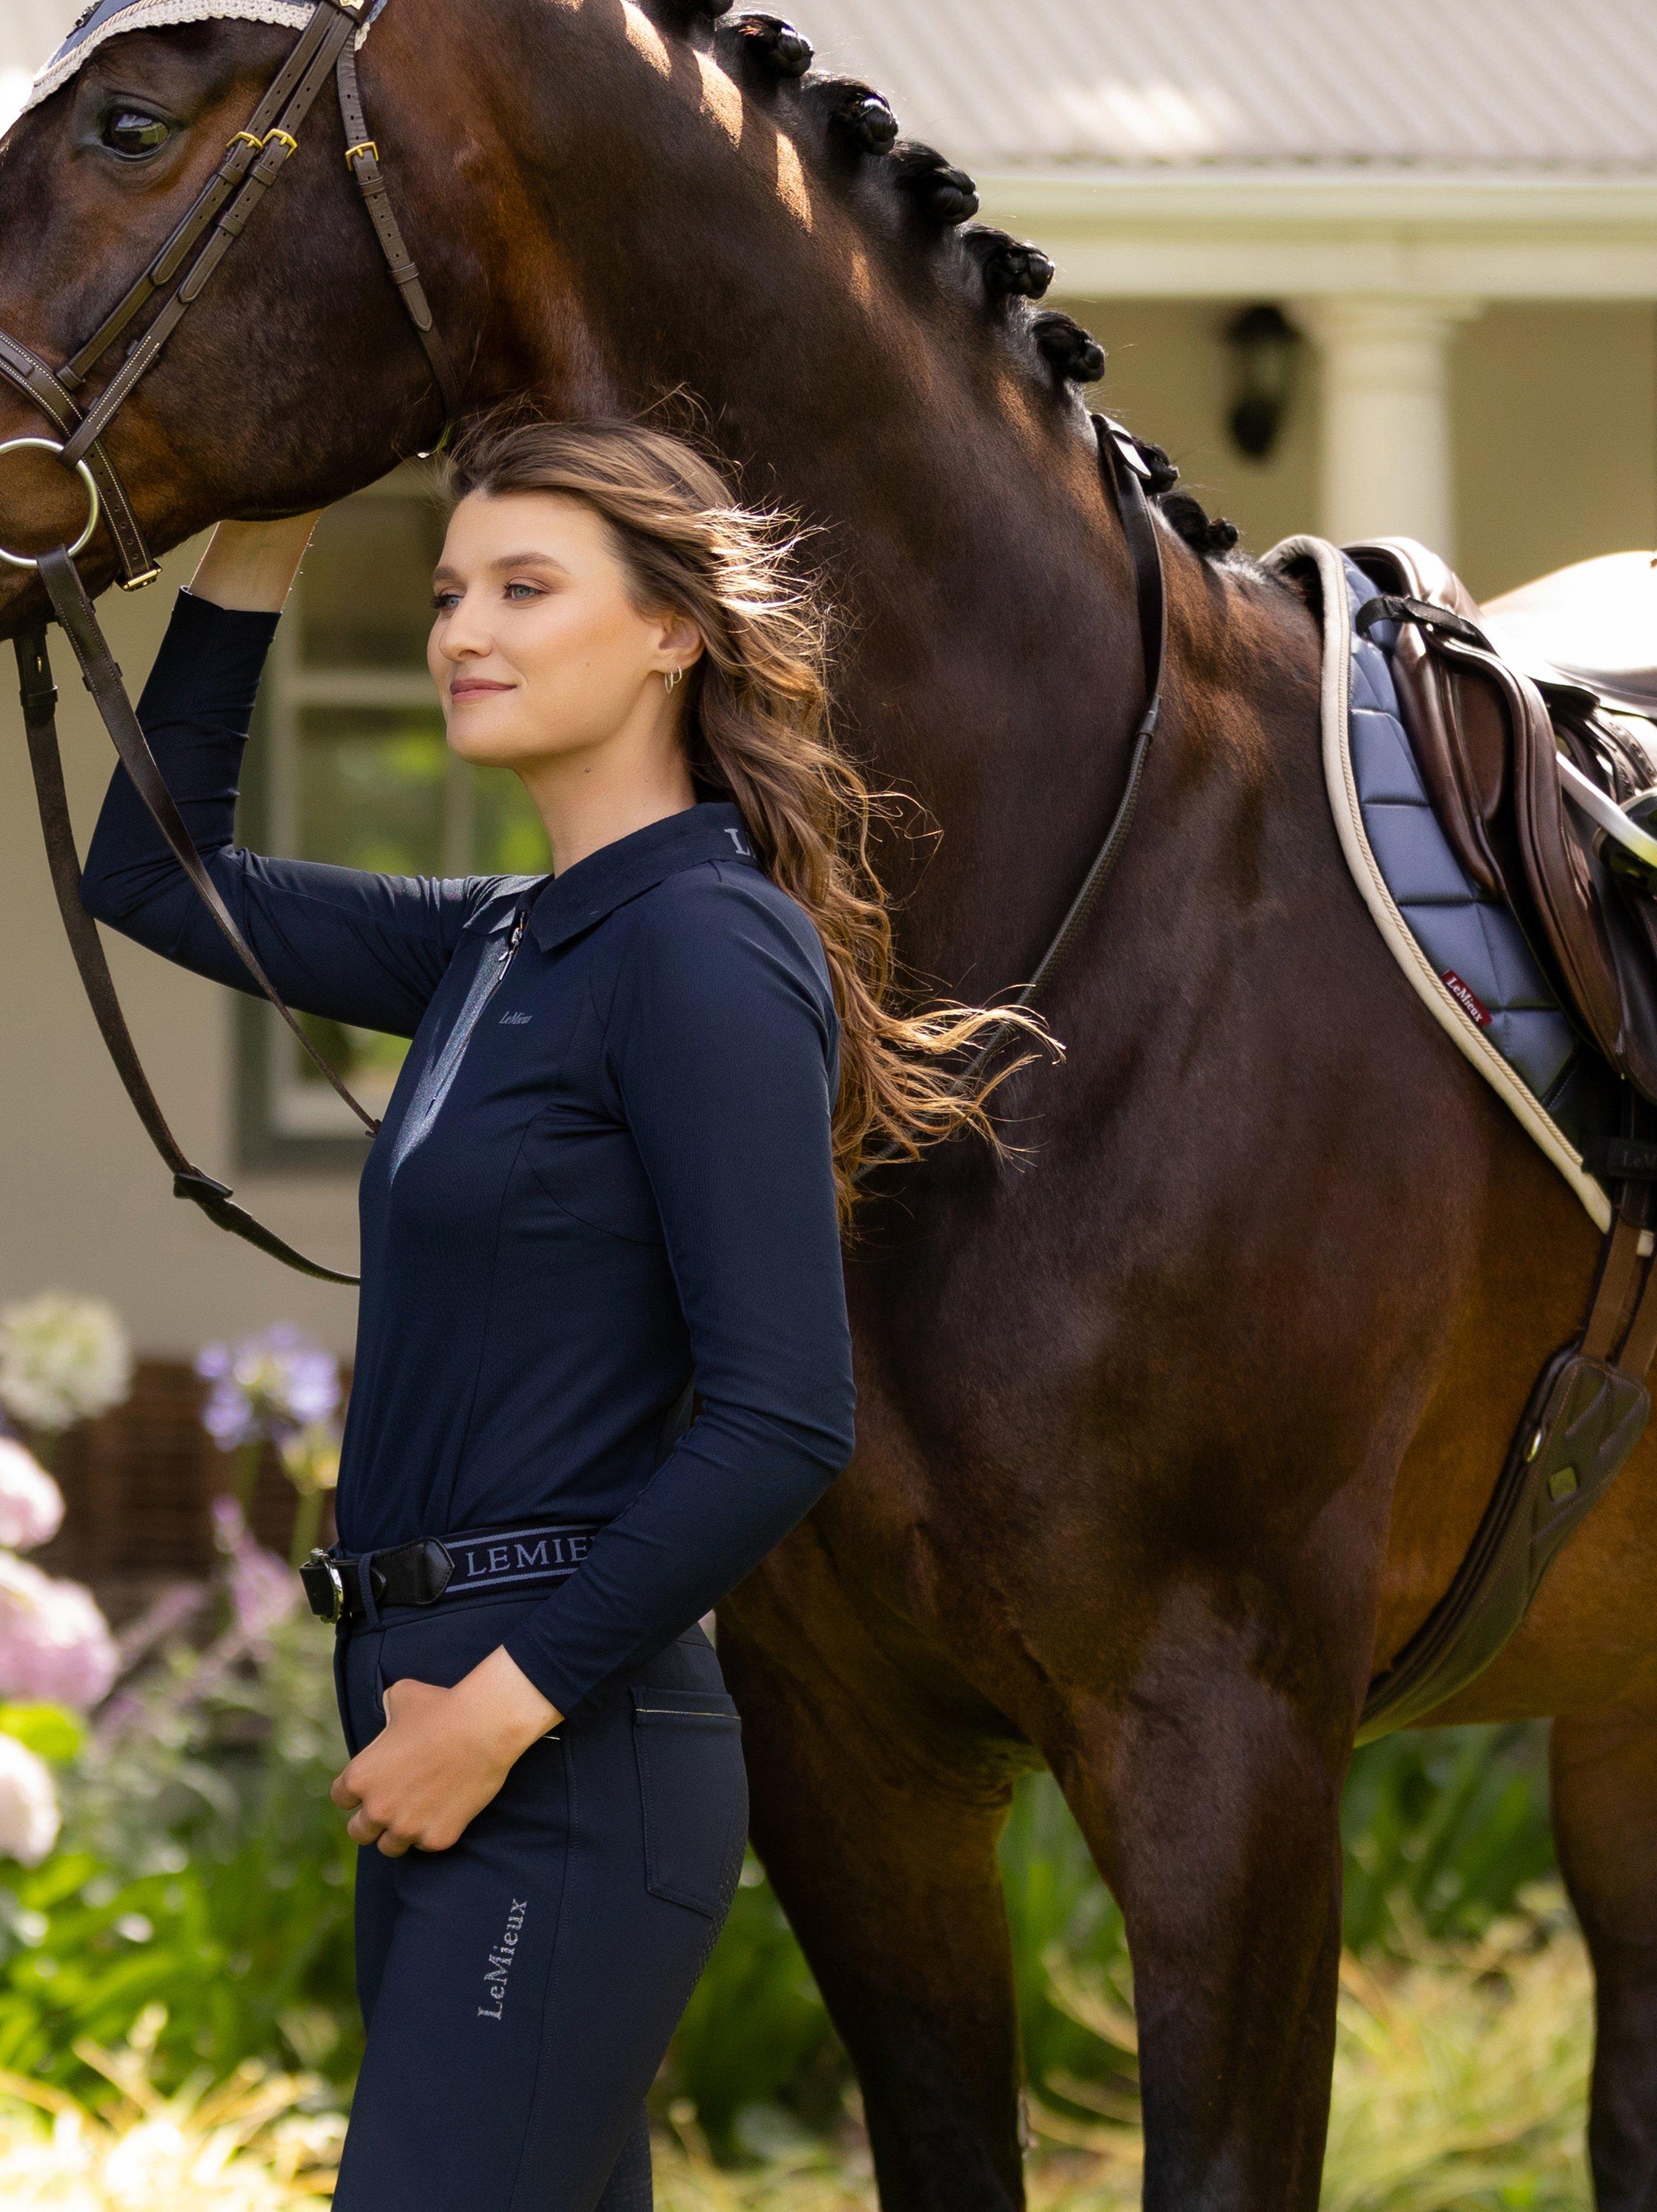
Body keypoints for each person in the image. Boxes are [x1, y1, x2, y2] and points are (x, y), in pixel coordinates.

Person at [80, 413, 1029, 2212]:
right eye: (447, 594)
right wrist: (263, 542)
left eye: (527, 588)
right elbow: (146, 874)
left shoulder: (702, 947)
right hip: (437, 1704)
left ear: (674, 629)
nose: (462, 632)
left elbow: (781, 1417)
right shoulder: (504, 939)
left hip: (557, 1746)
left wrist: (499, 1710)